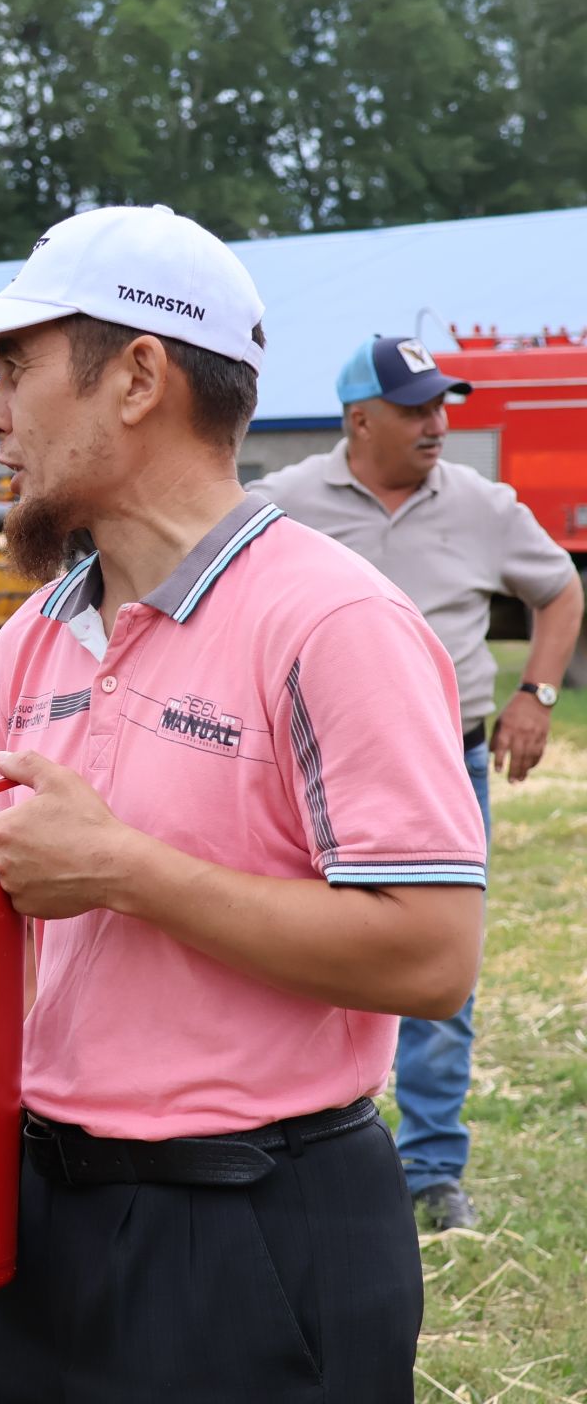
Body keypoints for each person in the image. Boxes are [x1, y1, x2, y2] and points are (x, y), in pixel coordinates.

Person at [0, 205, 487, 1401]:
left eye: (16, 370)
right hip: (46, 1224)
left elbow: (433, 956)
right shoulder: (32, 639)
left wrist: (126, 871)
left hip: (259, 1233)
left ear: (138, 376)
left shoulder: (333, 624)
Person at [254, 337, 582, 1233]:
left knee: (438, 971)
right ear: (359, 419)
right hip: (310, 771)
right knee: (297, 950)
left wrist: (537, 695)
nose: (439, 423)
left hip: (447, 763)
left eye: (443, 404)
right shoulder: (281, 504)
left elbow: (560, 592)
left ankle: (432, 1171)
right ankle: (292, 1142)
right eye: (415, 409)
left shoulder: (482, 506)